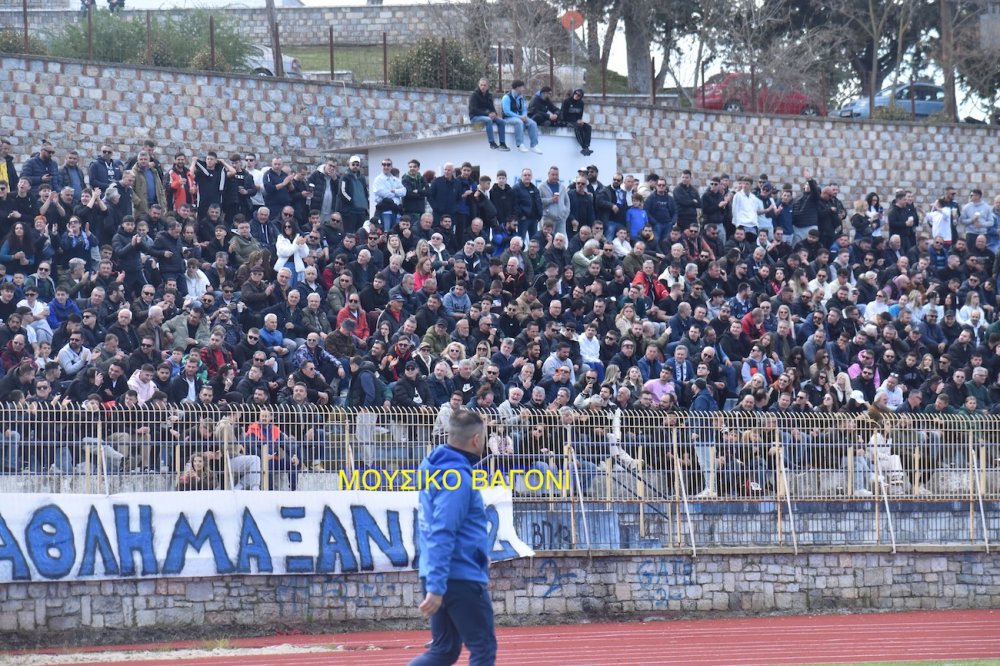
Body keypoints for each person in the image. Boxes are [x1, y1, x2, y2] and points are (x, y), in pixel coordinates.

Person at [410, 408, 496, 666]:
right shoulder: (456, 477)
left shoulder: (438, 469)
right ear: (476, 439)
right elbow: (443, 530)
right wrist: (437, 586)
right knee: (483, 648)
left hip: (440, 571)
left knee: (445, 649)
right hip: (457, 576)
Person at [501, 80, 542, 154]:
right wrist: (519, 117)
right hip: (508, 118)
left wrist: (524, 116)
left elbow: (524, 109)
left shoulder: (521, 98)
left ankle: (534, 145)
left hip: (519, 117)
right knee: (519, 122)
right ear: (517, 88)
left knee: (533, 123)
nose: (523, 89)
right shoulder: (506, 97)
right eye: (522, 87)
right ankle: (520, 144)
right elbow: (507, 111)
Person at [468, 78, 509, 151]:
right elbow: (473, 109)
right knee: (488, 120)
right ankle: (492, 143)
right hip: (475, 117)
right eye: (481, 85)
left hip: (486, 116)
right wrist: (487, 114)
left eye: (484, 85)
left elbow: (492, 108)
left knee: (502, 122)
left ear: (487, 87)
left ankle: (502, 143)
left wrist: (494, 114)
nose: (483, 87)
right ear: (479, 85)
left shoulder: (489, 95)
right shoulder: (474, 95)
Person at [559, 88, 593, 155]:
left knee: (588, 127)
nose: (576, 95)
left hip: (576, 121)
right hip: (566, 120)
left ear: (581, 97)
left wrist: (580, 120)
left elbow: (580, 115)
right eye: (575, 93)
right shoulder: (567, 101)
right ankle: (583, 147)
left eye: (578, 95)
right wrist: (575, 121)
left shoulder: (581, 103)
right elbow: (563, 115)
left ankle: (586, 145)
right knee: (577, 127)